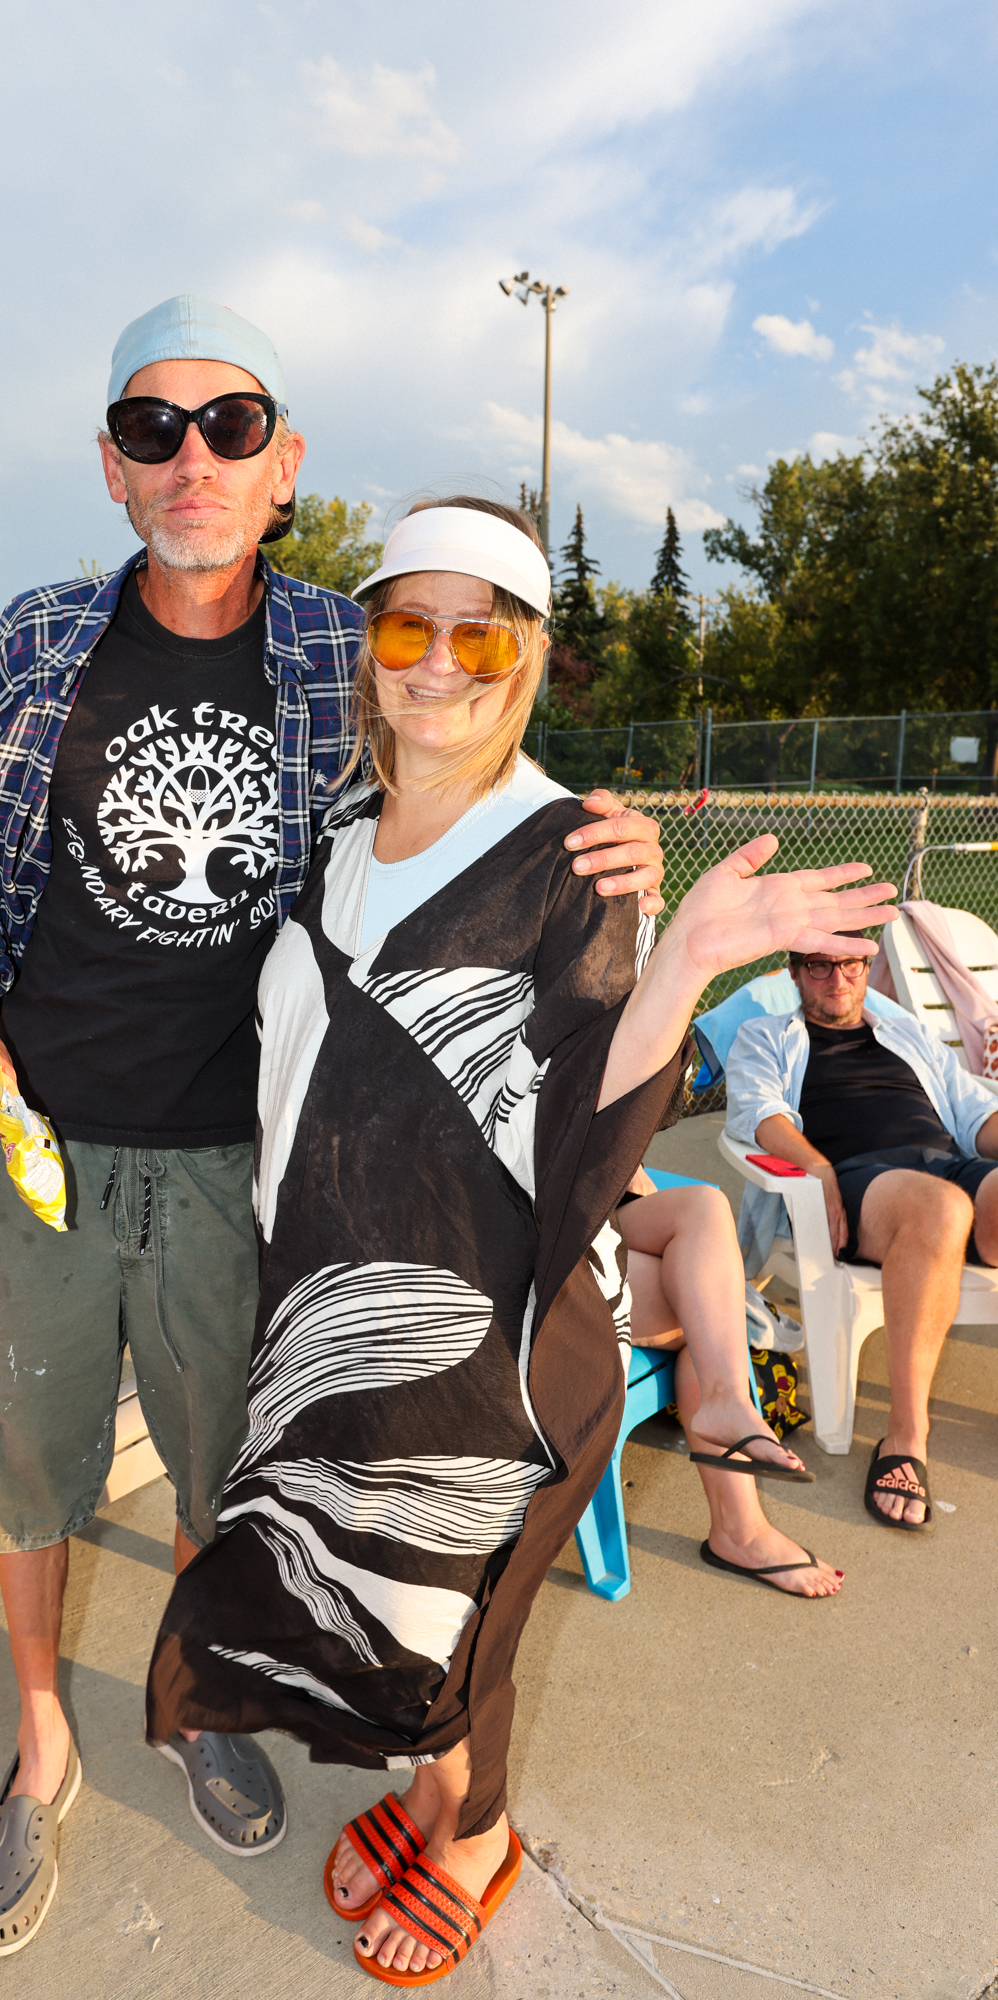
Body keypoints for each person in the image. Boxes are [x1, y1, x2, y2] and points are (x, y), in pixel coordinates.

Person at [0, 298, 667, 1957]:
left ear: (282, 465)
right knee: (25, 1468)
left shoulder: (343, 644)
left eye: (229, 425)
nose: (192, 457)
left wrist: (603, 847)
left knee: (218, 1465)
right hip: (46, 1147)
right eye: (152, 428)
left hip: (243, 1169)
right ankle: (42, 1745)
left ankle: (198, 1702)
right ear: (112, 468)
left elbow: (458, 762)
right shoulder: (38, 640)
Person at [145, 498, 895, 1985]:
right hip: (328, 1324)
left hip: (490, 1342)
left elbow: (580, 1142)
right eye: (403, 625)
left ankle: (476, 1837)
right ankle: (430, 1800)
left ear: (527, 656)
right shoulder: (334, 843)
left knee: (462, 1624)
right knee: (378, 1608)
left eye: (476, 634)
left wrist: (683, 959)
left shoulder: (572, 855)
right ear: (368, 647)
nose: (435, 662)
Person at [725, 948, 998, 1534]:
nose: (838, 979)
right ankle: (906, 1436)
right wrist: (818, 1167)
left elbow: (976, 1118)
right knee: (943, 1208)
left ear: (867, 969)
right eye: (819, 965)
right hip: (860, 1181)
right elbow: (758, 1113)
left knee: (951, 1200)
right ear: (795, 972)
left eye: (851, 964)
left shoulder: (907, 1033)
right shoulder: (766, 1035)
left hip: (949, 1165)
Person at [617, 1169, 843, 1595]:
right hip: (517, 1234)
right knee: (706, 1304)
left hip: (586, 1205)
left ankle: (727, 1403)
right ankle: (741, 1530)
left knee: (706, 1207)